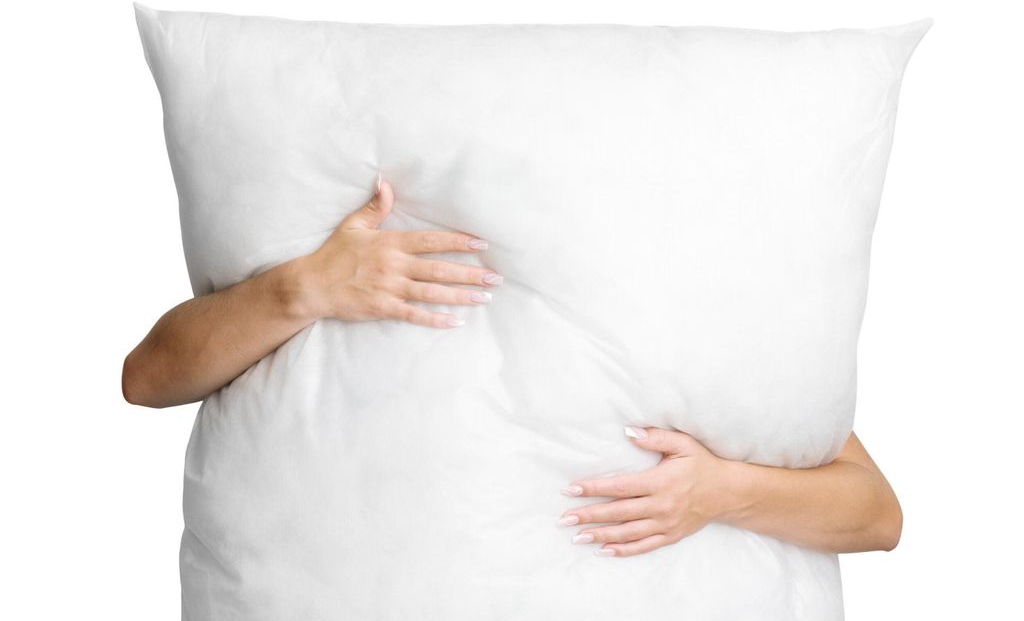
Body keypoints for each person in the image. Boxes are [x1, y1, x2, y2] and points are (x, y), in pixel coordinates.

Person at [123, 180, 902, 558]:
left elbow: (876, 513)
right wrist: (302, 289)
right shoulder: (366, 236)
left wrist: (721, 491)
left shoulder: (679, 298)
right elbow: (147, 379)